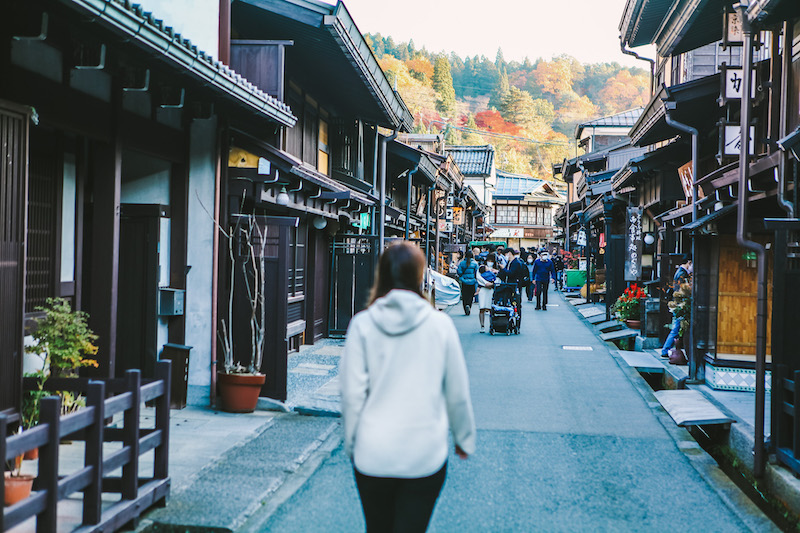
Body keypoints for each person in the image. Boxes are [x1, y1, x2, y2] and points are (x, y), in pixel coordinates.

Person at [341, 242, 476, 533]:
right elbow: (456, 391)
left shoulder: (362, 325)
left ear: (383, 275)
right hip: (424, 454)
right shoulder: (439, 325)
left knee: (377, 528)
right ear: (419, 277)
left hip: (372, 452)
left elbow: (352, 395)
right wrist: (464, 438)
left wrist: (353, 444)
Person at [498, 248, 527, 318]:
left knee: (514, 301)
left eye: (505, 254)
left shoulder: (516, 263)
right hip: (507, 285)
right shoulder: (509, 262)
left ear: (509, 253)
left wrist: (503, 269)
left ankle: (516, 315)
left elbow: (511, 273)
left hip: (514, 285)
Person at [456, 250, 479, 315]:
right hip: (472, 282)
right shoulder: (475, 263)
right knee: (470, 296)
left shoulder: (462, 263)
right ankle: (469, 305)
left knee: (464, 295)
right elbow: (477, 273)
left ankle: (465, 306)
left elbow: (459, 272)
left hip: (464, 281)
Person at [476, 264, 497, 333]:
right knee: (485, 308)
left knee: (484, 309)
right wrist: (492, 284)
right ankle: (487, 325)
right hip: (487, 290)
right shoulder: (490, 274)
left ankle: (485, 325)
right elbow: (495, 281)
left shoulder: (480, 277)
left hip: (485, 290)